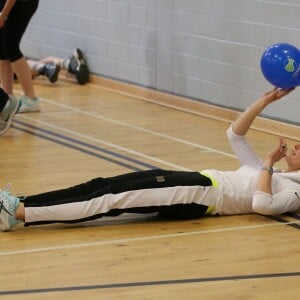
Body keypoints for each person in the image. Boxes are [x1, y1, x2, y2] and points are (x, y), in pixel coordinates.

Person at [1, 88, 300, 231]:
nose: (297, 145)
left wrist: (268, 163)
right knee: (102, 185)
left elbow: (262, 205)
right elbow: (235, 135)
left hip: (201, 195)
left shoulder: (293, 189)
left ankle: (18, 213)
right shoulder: (272, 175)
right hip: (196, 180)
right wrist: (264, 101)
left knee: (111, 199)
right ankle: (23, 202)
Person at [0, 0, 40, 113]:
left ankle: (31, 98)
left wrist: (3, 14)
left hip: (21, 4)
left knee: (10, 46)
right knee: (2, 50)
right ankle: (8, 99)